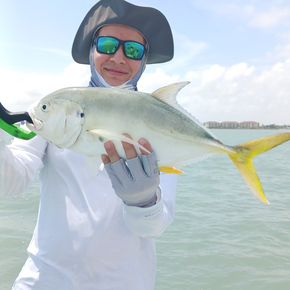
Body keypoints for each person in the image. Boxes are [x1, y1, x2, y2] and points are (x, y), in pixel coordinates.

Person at [0, 0, 178, 289]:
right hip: (44, 280)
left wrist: (143, 200)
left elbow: (152, 227)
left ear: (143, 60)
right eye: (108, 44)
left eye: (133, 50)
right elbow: (9, 183)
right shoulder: (58, 109)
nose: (119, 58)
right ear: (92, 48)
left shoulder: (160, 123)